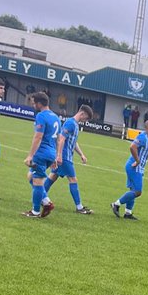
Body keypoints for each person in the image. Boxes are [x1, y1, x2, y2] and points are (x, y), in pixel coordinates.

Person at [45, 103, 94, 214]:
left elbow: (73, 142)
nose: (85, 121)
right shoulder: (70, 123)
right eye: (86, 118)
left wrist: (81, 154)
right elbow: (61, 138)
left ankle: (40, 197)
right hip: (65, 157)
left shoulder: (75, 125)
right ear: (82, 113)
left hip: (66, 156)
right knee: (73, 179)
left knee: (53, 176)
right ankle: (79, 207)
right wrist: (59, 155)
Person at [21, 91, 60, 219]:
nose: (33, 105)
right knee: (30, 176)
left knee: (37, 181)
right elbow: (58, 139)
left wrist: (30, 155)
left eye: (34, 103)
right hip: (51, 153)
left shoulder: (41, 116)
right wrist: (55, 156)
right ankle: (46, 202)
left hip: (41, 153)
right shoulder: (56, 117)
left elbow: (38, 136)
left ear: (39, 103)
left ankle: (35, 211)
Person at [112, 118, 148, 220]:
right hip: (134, 167)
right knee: (137, 191)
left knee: (133, 190)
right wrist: (137, 161)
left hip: (137, 168)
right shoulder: (143, 137)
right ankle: (116, 204)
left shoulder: (147, 138)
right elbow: (132, 147)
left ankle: (128, 213)